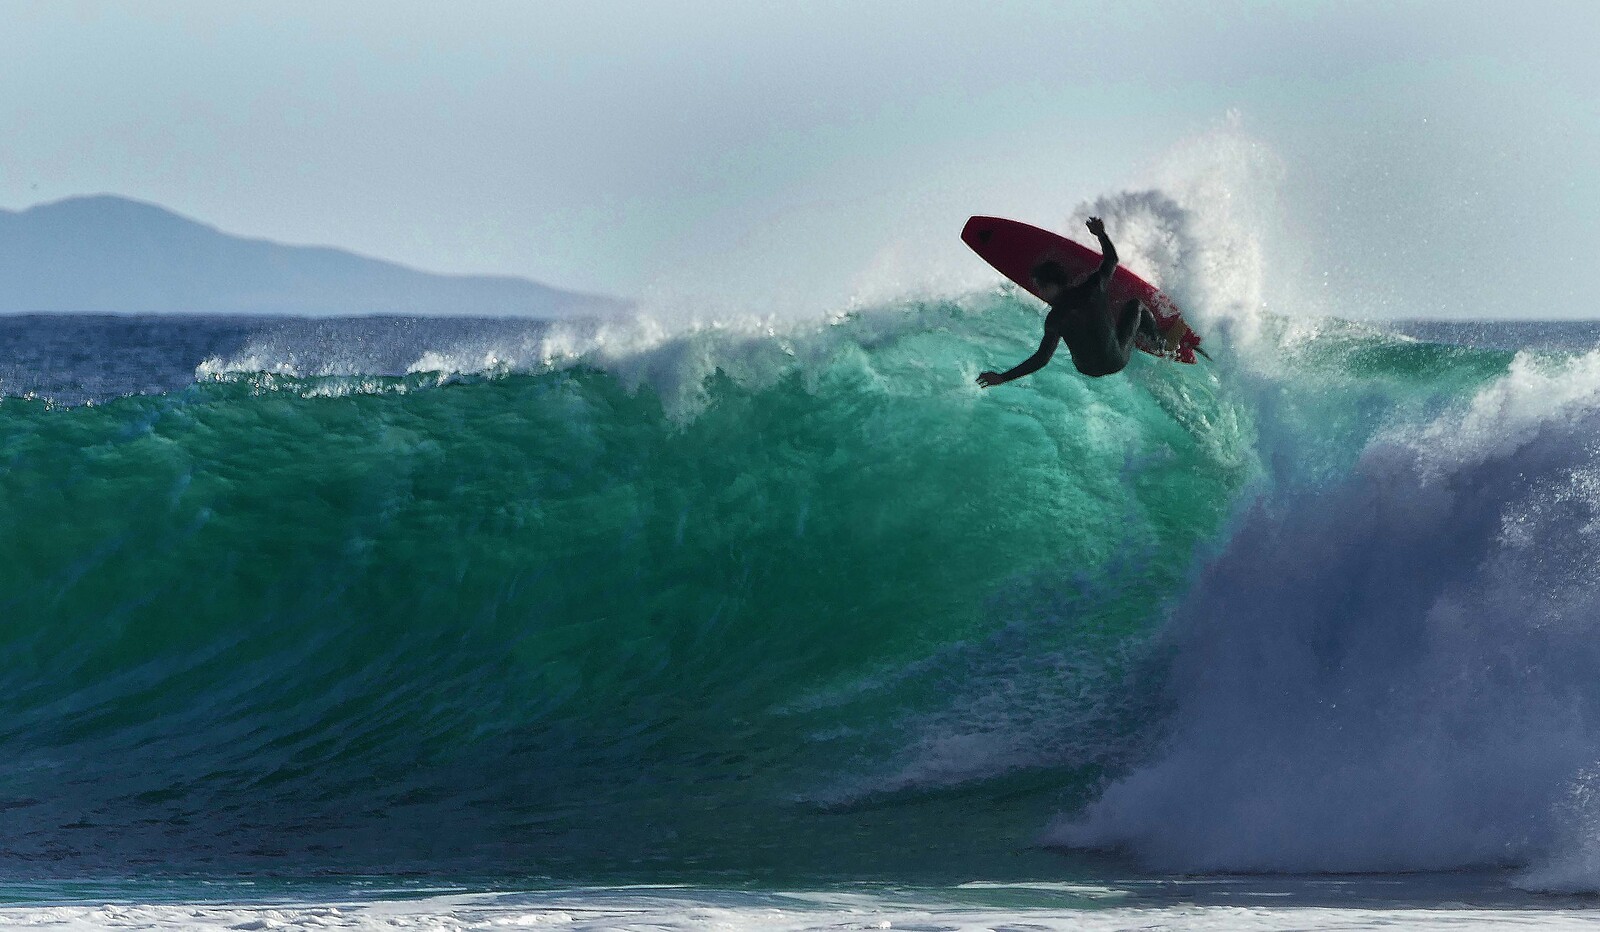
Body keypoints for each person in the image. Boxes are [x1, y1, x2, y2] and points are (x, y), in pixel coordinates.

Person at [976, 217, 1164, 386]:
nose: (1039, 291)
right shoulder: (1093, 287)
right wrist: (1100, 234)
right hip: (1116, 360)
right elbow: (1111, 259)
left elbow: (1042, 359)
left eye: (1040, 286)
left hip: (1087, 370)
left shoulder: (1055, 319)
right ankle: (1157, 341)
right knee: (1136, 305)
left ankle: (1132, 335)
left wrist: (1002, 377)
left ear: (1051, 285)